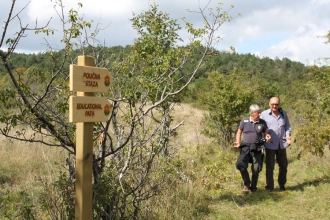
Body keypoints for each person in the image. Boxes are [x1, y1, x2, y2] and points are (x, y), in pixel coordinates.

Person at [234, 104, 271, 193]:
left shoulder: (262, 122)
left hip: (257, 148)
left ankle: (253, 187)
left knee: (256, 169)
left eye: (259, 112)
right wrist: (238, 142)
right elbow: (239, 133)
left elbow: (266, 134)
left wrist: (268, 137)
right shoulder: (244, 121)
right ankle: (247, 184)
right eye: (257, 113)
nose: (259, 114)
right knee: (240, 165)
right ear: (252, 113)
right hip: (245, 147)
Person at [260, 97, 291, 192]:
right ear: (269, 104)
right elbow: (259, 127)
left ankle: (282, 184)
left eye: (276, 104)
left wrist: (288, 136)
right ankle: (270, 186)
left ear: (279, 104)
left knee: (283, 165)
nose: (274, 106)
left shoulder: (283, 113)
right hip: (270, 145)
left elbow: (287, 126)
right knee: (270, 166)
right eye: (273, 104)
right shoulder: (264, 114)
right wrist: (265, 136)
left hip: (281, 144)